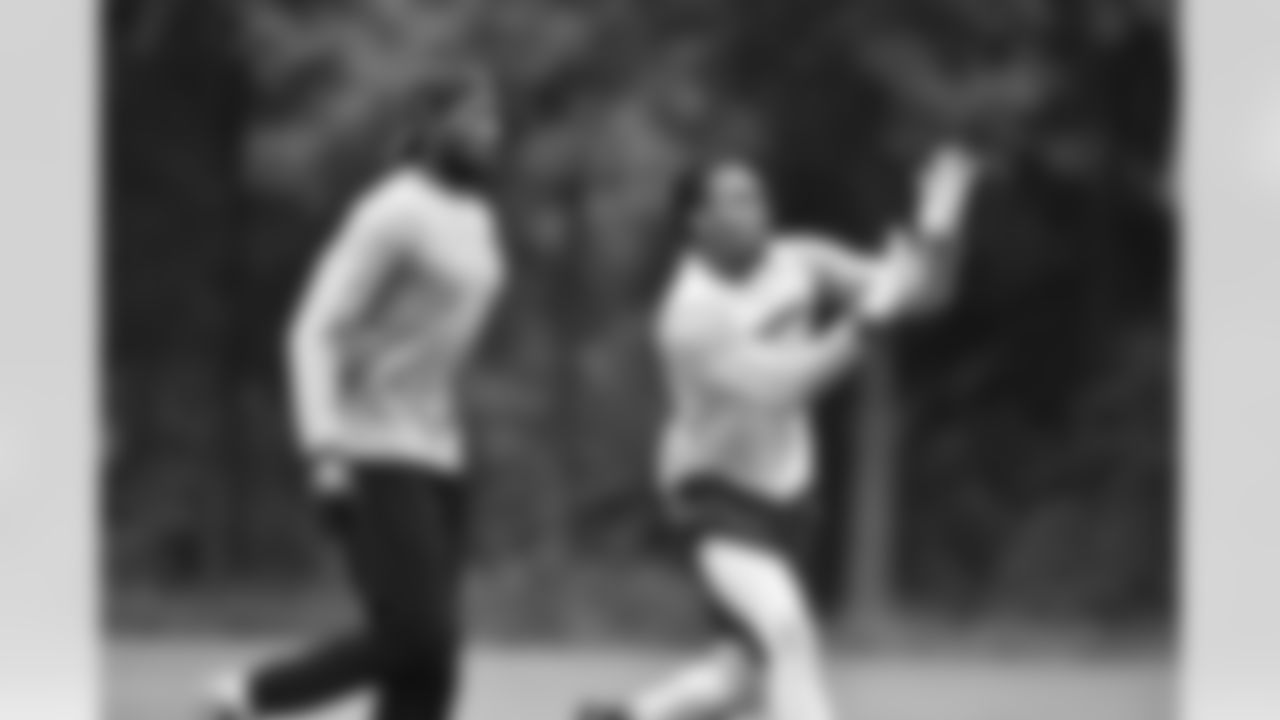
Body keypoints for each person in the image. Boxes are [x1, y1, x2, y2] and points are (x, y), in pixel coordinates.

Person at [586, 145, 980, 720]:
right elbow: (785, 386)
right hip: (713, 496)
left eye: (758, 195)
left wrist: (940, 225)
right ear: (698, 221)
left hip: (789, 500)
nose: (758, 208)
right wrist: (869, 318)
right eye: (737, 199)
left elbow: (923, 296)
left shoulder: (801, 260)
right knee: (786, 630)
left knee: (740, 677)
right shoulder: (690, 314)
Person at [205, 70, 508, 720]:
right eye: (472, 118)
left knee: (430, 669)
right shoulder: (391, 212)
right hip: (371, 447)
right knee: (415, 633)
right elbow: (313, 329)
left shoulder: (478, 217)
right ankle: (247, 696)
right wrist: (323, 449)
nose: (489, 132)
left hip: (439, 454)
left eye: (494, 118)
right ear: (429, 126)